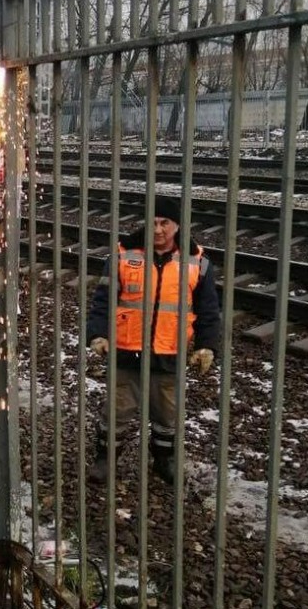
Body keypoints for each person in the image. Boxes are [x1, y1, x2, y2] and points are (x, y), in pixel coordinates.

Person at [86, 195, 221, 485]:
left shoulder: (197, 262)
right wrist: (97, 334)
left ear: (178, 226)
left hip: (170, 353)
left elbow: (209, 311)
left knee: (167, 416)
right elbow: (102, 301)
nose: (158, 229)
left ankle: (164, 460)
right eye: (153, 222)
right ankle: (105, 460)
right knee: (116, 411)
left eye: (165, 223)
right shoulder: (122, 256)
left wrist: (207, 346)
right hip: (126, 351)